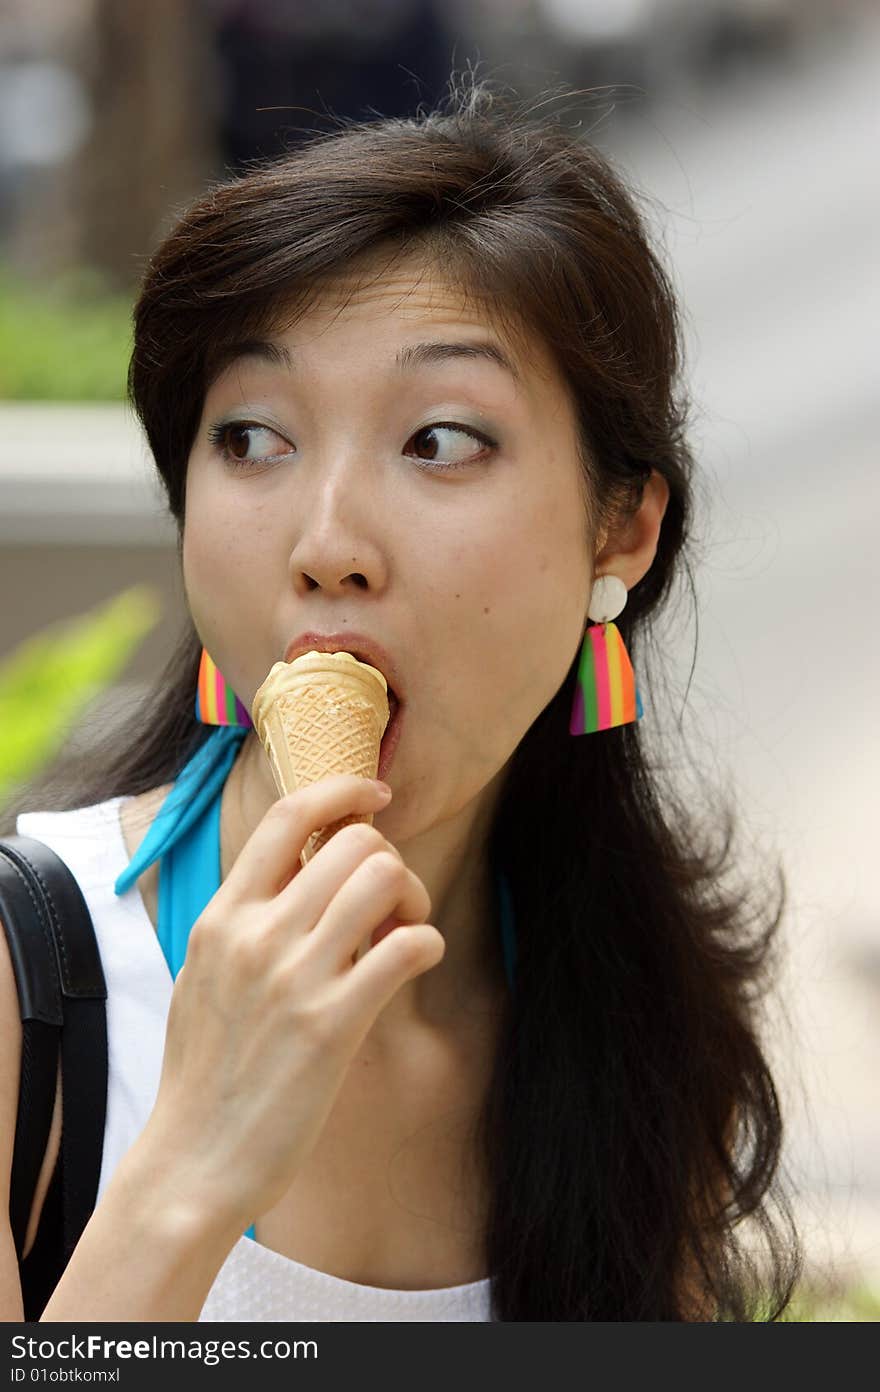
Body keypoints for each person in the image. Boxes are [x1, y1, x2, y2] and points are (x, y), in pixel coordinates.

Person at [0, 71, 802, 1322]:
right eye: (253, 436)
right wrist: (189, 1173)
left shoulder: (639, 1023)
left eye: (437, 440)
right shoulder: (26, 993)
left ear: (621, 528)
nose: (326, 542)